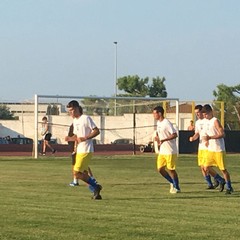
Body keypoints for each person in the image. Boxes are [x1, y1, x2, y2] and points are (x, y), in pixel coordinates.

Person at [65, 100, 102, 200]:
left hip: (86, 149)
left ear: (77, 108)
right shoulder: (75, 121)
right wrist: (70, 138)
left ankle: (95, 186)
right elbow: (77, 136)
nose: (70, 113)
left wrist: (85, 138)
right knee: (83, 174)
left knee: (76, 173)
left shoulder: (85, 118)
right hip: (80, 150)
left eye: (71, 110)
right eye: (69, 111)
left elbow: (96, 131)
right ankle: (96, 191)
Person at [201, 104, 233, 194]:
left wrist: (210, 138)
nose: (205, 116)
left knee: (223, 169)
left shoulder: (215, 121)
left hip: (218, 149)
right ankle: (220, 180)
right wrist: (207, 141)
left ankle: (229, 187)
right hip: (211, 149)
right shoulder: (206, 122)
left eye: (206, 114)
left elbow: (222, 134)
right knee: (205, 167)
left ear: (211, 112)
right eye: (203, 115)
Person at [189, 105, 220, 189]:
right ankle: (210, 183)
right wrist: (193, 138)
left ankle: (219, 179)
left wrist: (208, 141)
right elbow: (197, 133)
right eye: (196, 113)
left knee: (206, 166)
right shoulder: (197, 122)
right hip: (201, 147)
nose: (197, 114)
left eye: (198, 112)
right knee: (202, 167)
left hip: (207, 147)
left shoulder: (208, 121)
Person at [153, 106, 180, 193]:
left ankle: (177, 187)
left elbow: (175, 134)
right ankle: (172, 182)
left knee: (171, 169)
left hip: (170, 151)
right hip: (162, 151)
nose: (153, 115)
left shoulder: (167, 123)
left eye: (154, 113)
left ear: (159, 113)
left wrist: (164, 139)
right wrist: (157, 138)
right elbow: (159, 133)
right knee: (160, 169)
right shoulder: (158, 123)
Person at [67, 123, 95, 192]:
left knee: (78, 167)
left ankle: (91, 182)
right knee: (82, 166)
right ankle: (90, 180)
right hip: (76, 146)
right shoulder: (76, 123)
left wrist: (75, 146)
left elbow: (77, 137)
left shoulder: (78, 124)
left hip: (78, 148)